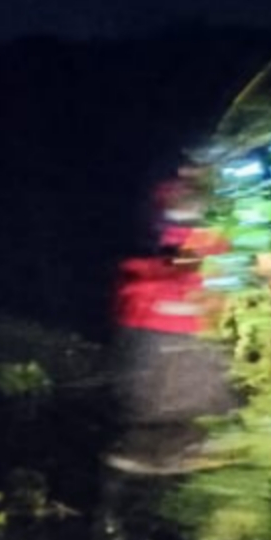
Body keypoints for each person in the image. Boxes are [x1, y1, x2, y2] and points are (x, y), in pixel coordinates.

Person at [104, 180, 237, 475]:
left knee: (185, 380)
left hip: (182, 316)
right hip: (163, 318)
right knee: (164, 380)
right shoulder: (166, 208)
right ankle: (165, 445)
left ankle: (185, 444)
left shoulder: (207, 219)